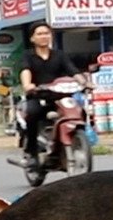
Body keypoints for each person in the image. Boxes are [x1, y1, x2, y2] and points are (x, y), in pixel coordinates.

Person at [17, 22, 85, 167]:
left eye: (47, 33)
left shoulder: (59, 55)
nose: (44, 37)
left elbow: (73, 70)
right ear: (32, 38)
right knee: (33, 113)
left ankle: (74, 141)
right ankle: (32, 152)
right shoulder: (28, 55)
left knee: (78, 110)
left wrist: (84, 82)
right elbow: (25, 70)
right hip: (38, 96)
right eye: (40, 34)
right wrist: (28, 85)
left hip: (60, 97)